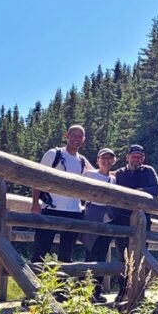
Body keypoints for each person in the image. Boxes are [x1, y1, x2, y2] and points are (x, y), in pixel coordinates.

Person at [30, 124, 94, 263]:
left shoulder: (82, 160)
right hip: (51, 208)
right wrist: (35, 203)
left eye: (79, 136)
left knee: (66, 255)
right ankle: (34, 283)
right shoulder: (54, 154)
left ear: (83, 139)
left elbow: (98, 174)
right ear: (67, 136)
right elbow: (38, 178)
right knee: (41, 250)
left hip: (74, 211)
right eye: (73, 135)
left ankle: (62, 284)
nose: (76, 139)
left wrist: (120, 172)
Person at [111, 144, 158, 298]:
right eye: (134, 156)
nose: (136, 159)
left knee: (141, 255)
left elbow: (157, 189)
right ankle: (123, 290)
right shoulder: (119, 174)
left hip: (142, 220)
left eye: (139, 157)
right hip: (121, 220)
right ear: (127, 157)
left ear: (143, 159)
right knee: (122, 256)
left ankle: (139, 291)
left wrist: (141, 191)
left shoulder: (148, 171)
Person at [80, 147, 117, 303]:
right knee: (90, 253)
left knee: (102, 256)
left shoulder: (114, 179)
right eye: (103, 158)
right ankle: (85, 292)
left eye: (109, 158)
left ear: (113, 161)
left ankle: (96, 292)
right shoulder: (89, 174)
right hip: (92, 215)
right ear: (97, 161)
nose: (106, 161)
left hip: (107, 218)